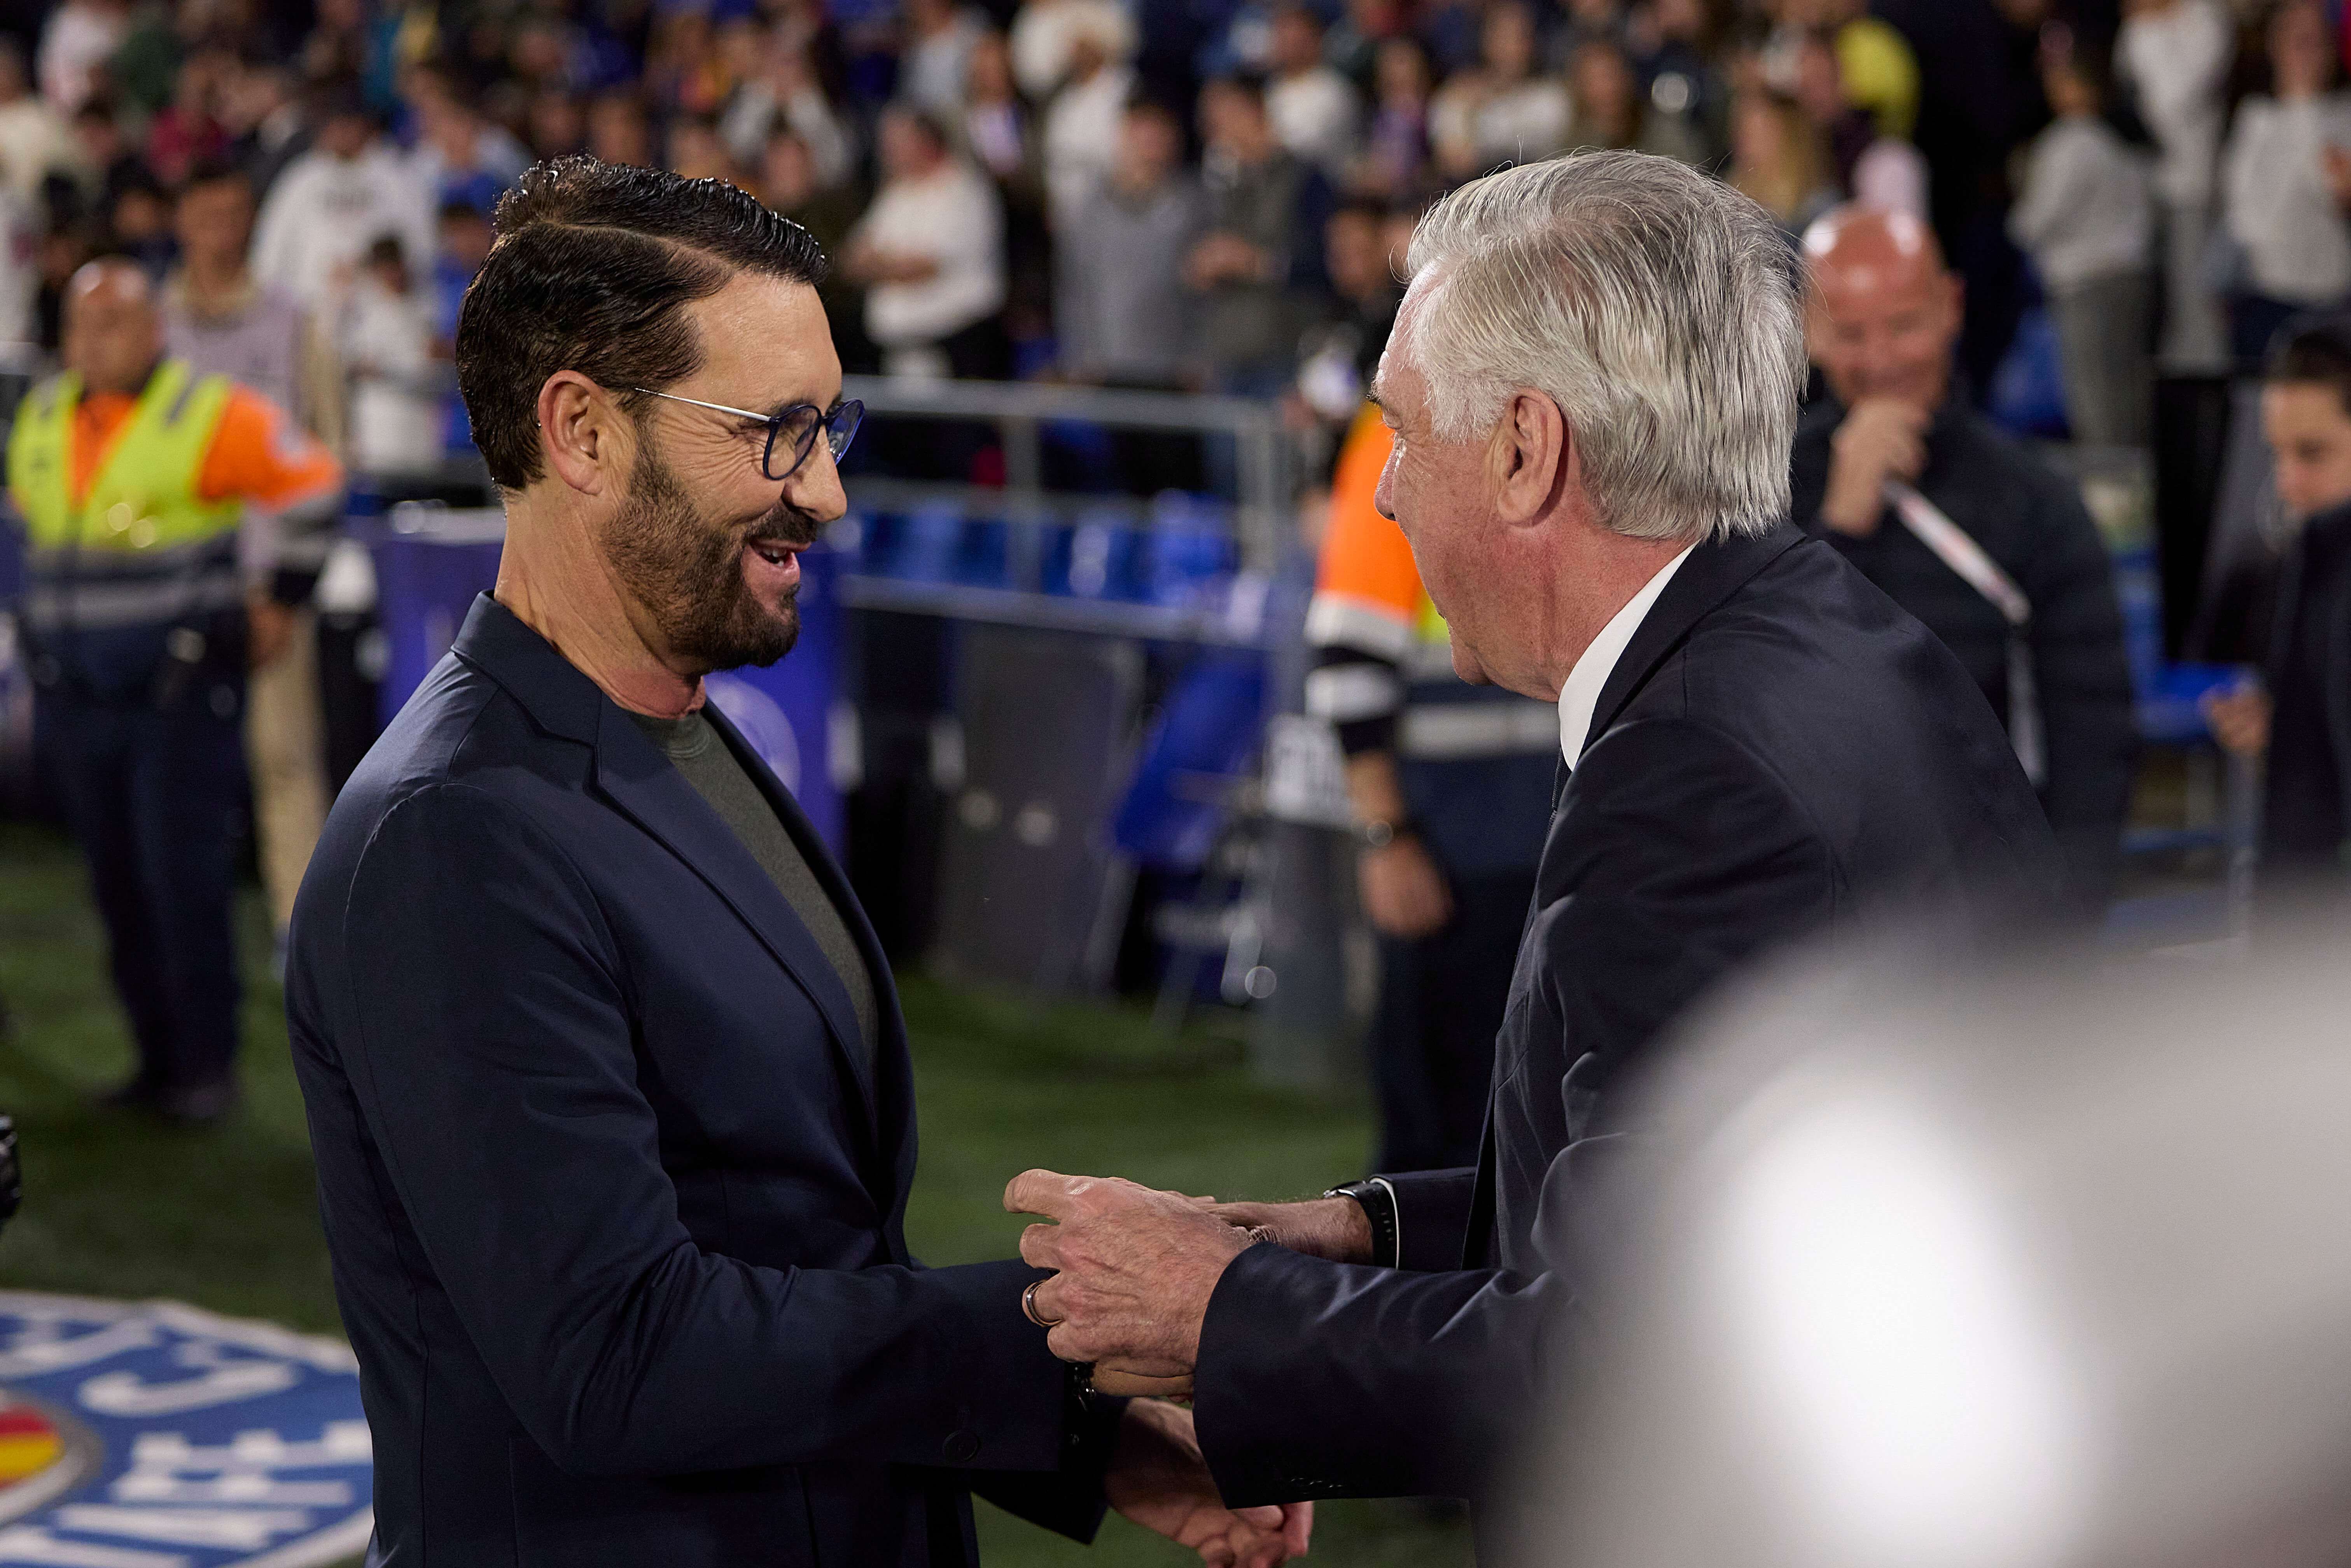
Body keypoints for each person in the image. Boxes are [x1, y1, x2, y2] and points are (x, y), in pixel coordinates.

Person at [1000, 155, 2059, 1555]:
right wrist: (1363, 1231)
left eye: (1401, 431)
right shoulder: (1809, 630)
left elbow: (1633, 1357)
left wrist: (1219, 1312)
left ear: (1521, 448)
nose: (1380, 498)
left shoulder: (1695, 761)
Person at [286, 158, 1309, 1568]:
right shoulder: (449, 836)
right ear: (580, 431)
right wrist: (1067, 1337)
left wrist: (1080, 1441)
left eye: (830, 426)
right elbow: (617, 1350)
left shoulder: (676, 727)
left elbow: (800, 1253)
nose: (824, 491)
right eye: (773, 432)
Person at [12, 259, 343, 1123]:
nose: (95, 341)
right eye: (82, 324)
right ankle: (155, 1062)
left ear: (155, 328)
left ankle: (205, 1070)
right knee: (116, 884)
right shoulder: (42, 412)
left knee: (180, 883)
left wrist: (286, 597)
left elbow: (315, 483)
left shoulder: (205, 409)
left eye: (114, 322)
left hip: (176, 694)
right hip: (76, 694)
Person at [1791, 206, 2137, 913]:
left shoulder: (2036, 501)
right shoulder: (1757, 495)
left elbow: (2093, 741)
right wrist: (1841, 524)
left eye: (1905, 324)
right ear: (1809, 330)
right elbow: (1758, 701)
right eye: (1852, 332)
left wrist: (2063, 932)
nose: (1882, 359)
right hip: (1810, 921)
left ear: (1952, 307)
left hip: (1993, 919)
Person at [1303, 406, 1555, 1174]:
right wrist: (1386, 837)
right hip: (1451, 848)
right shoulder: (1404, 424)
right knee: (1440, 1149)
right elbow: (1347, 653)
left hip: (1562, 835)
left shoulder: (1569, 408)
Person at [163, 158, 347, 958]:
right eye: (206, 210)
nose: (222, 228)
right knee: (171, 771)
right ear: (182, 219)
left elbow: (328, 456)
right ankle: (178, 928)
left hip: (264, 583)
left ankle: (296, 933)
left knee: (285, 762)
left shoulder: (293, 321)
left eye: (235, 210)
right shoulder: (146, 322)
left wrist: (287, 587)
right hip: (164, 586)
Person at [2202, 318, 2351, 907]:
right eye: (2277, 456)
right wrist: (2289, 737)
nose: (2288, 484)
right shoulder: (2317, 563)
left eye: (2312, 454)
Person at [2008, 42, 2155, 447]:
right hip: (2132, 278)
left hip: (2087, 285)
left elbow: (2036, 220)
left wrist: (2017, 221)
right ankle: (2137, 497)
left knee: (2096, 402)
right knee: (2128, 396)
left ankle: (2111, 503)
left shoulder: (2070, 142)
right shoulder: (2127, 137)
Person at [2219, 0, 2351, 366]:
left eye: (2316, 40)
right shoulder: (2255, 119)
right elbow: (2246, 215)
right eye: (2297, 39)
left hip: (2335, 297)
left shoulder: (2344, 114)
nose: (2306, 51)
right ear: (2275, 44)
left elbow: (2337, 194)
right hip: (2267, 298)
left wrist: (2306, 107)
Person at [843, 105, 1006, 382]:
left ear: (927, 142)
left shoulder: (964, 192)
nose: (888, 152)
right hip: (896, 350)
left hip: (956, 351)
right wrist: (888, 266)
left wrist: (880, 265)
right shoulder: (897, 194)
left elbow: (924, 268)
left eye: (897, 143)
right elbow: (851, 259)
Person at [1187, 74, 1326, 398]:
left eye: (1225, 116)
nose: (1217, 130)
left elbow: (1327, 266)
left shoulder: (1306, 179)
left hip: (1287, 356)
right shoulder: (1222, 185)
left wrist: (1256, 263)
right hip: (1227, 356)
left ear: (1256, 112)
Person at [1057, 96, 1204, 388]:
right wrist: (1080, 355)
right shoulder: (1091, 208)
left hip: (1174, 366)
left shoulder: (1194, 204)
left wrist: (1200, 356)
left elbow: (1206, 291)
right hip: (1108, 363)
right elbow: (1075, 285)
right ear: (1124, 135)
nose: (1150, 144)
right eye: (1142, 133)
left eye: (1159, 135)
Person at [2117, 0, 2231, 370]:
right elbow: (2126, 96)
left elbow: (2173, 98)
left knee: (2197, 307)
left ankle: (2204, 408)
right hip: (2141, 190)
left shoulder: (2207, 16)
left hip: (2194, 190)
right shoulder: (2136, 27)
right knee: (2150, 318)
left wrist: (2152, 27)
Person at [249, 88, 434, 313]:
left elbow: (423, 245)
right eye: (335, 124)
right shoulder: (302, 176)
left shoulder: (396, 175)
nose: (342, 132)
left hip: (381, 313)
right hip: (309, 313)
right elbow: (270, 253)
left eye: (349, 124)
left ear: (365, 125)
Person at [1427, 2, 1569, 181]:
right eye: (1503, 37)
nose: (1512, 48)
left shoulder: (1552, 96)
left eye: (1521, 37)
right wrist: (1471, 108)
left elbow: (1555, 156)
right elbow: (1454, 161)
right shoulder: (1458, 96)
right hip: (1475, 194)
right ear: (1486, 41)